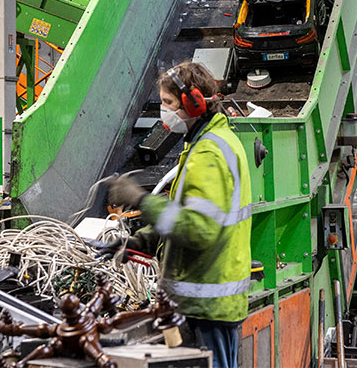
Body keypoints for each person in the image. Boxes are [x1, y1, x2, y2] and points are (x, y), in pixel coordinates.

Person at [107, 62, 252, 368]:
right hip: (209, 300)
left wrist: (141, 200)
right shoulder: (207, 142)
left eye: (168, 103)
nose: (164, 111)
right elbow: (187, 216)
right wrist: (140, 241)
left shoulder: (209, 154)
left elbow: (199, 229)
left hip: (206, 301)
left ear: (193, 103)